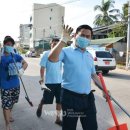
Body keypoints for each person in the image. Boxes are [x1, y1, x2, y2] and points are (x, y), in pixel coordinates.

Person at [48, 25, 107, 130]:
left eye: (88, 36)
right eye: (82, 35)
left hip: (88, 98)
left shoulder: (89, 56)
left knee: (92, 127)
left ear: (90, 38)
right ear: (75, 36)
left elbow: (93, 75)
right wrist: (63, 40)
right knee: (69, 127)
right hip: (70, 98)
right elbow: (52, 58)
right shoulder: (66, 51)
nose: (85, 38)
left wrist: (104, 90)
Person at [0, 36, 28, 130]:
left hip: (16, 84)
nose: (10, 46)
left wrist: (22, 70)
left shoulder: (15, 55)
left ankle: (9, 114)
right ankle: (7, 124)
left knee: (12, 102)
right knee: (6, 104)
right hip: (5, 85)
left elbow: (25, 63)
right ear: (4, 45)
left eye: (11, 45)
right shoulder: (1, 57)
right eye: (8, 44)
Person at [36, 38, 62, 126]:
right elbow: (42, 67)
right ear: (50, 44)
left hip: (59, 82)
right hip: (49, 82)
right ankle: (40, 105)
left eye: (57, 44)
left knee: (59, 101)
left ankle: (58, 119)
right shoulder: (46, 54)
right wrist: (41, 79)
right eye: (53, 43)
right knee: (46, 100)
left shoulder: (61, 54)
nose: (55, 45)